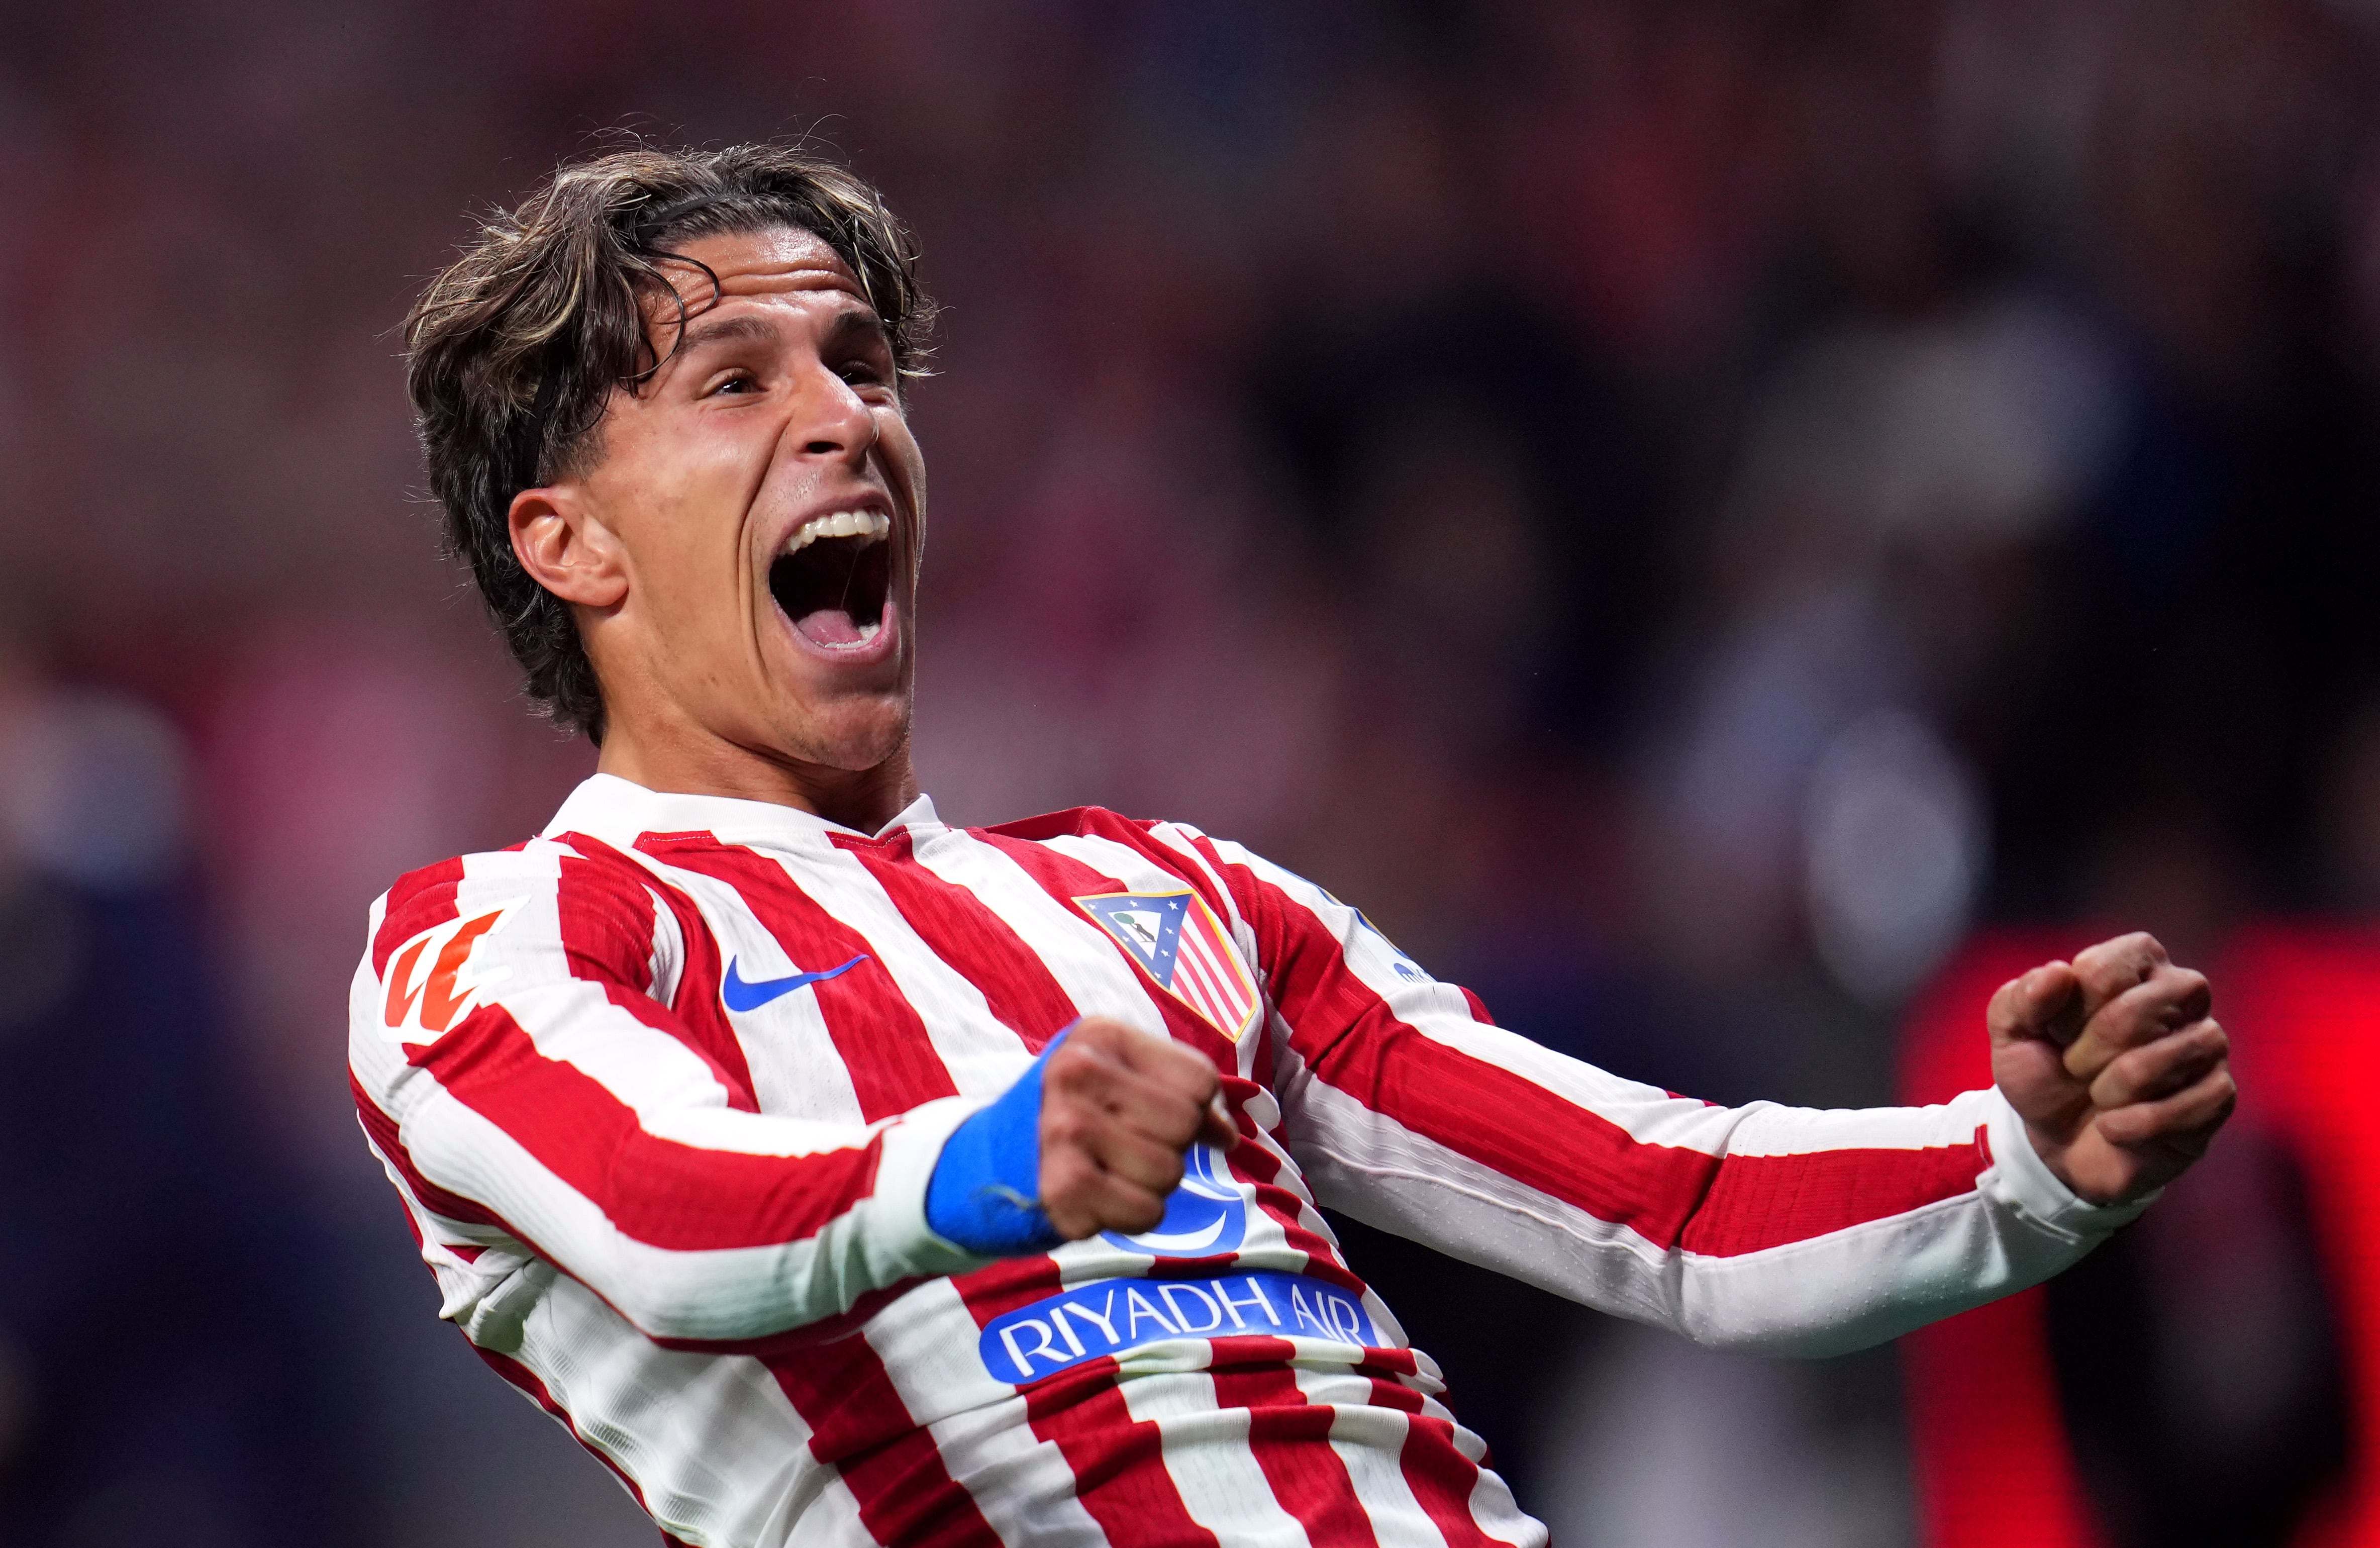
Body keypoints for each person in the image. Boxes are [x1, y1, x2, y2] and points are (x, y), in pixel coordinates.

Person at [352, 143, 2235, 1548]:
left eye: (861, 363)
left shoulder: (1178, 895)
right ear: (568, 543)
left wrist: (2021, 1167)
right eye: (739, 380)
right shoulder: (496, 943)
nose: (846, 416)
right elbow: (667, 1218)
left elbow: (1670, 1207)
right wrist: (985, 1165)